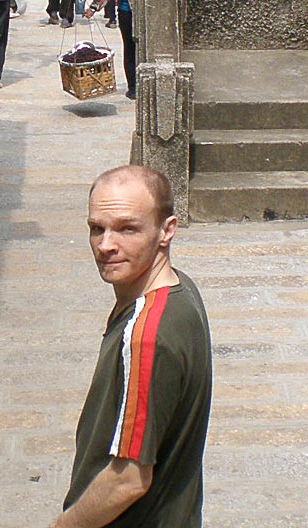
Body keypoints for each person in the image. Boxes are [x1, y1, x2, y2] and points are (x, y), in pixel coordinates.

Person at [51, 166, 212, 528]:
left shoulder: (146, 335)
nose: (107, 245)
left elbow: (128, 479)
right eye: (97, 228)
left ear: (166, 230)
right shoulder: (181, 290)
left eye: (128, 228)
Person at [84, 0, 136, 99]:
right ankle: (137, 85)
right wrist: (94, 8)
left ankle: (133, 87)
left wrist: (93, 8)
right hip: (140, 12)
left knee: (130, 49)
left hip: (128, 12)